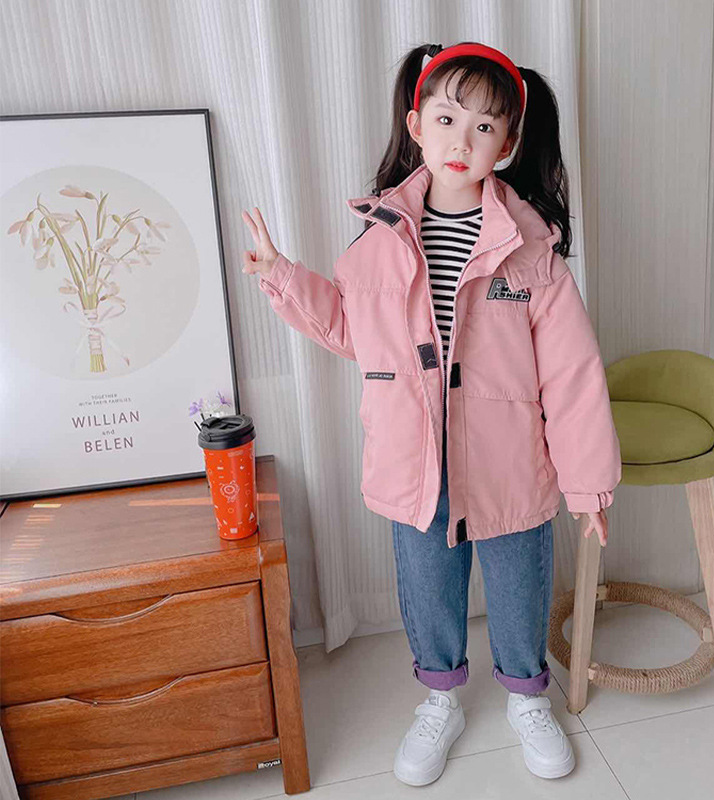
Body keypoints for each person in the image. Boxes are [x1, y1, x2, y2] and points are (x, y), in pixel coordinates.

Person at [242, 41, 621, 788]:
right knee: (428, 590)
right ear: (417, 125)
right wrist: (281, 277)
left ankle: (527, 698)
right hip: (414, 460)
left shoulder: (531, 252)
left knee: (518, 586)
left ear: (506, 144)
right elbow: (352, 329)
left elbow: (573, 375)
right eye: (447, 119)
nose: (462, 140)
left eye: (484, 127)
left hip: (508, 459)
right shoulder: (380, 240)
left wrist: (587, 483)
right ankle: (440, 700)